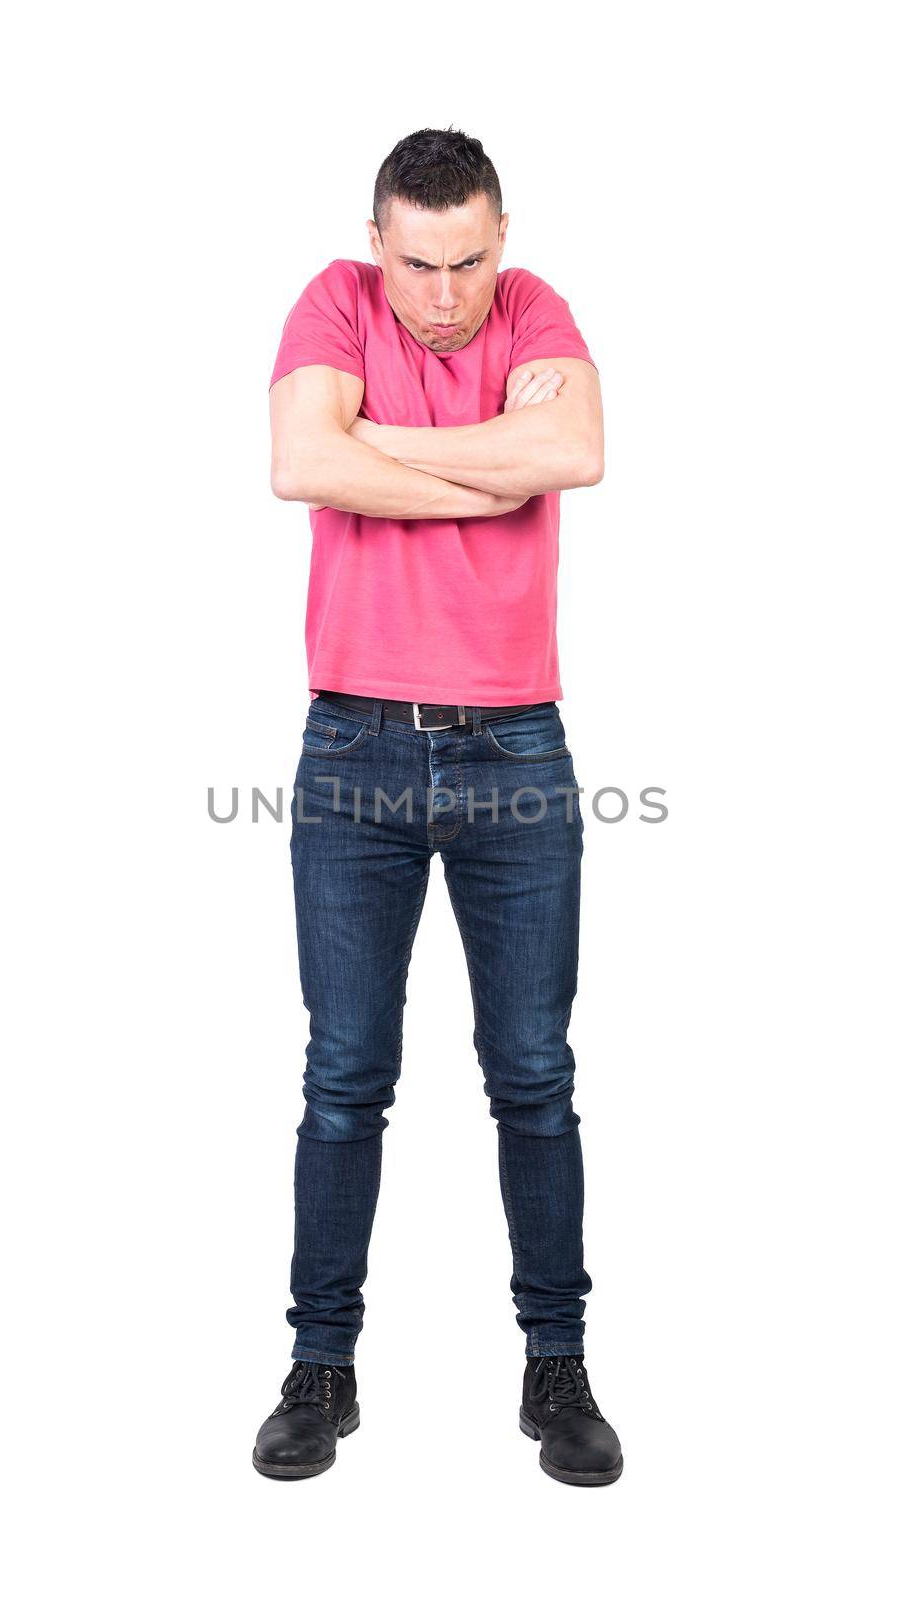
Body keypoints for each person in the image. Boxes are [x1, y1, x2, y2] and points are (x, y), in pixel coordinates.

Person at [252, 127, 623, 1487]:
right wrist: (484, 465)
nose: (448, 295)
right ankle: (320, 1367)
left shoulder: (540, 310)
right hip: (353, 745)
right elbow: (303, 463)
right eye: (420, 264)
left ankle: (559, 1366)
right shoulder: (332, 303)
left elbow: (573, 450)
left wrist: (382, 448)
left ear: (501, 238)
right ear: (378, 244)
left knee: (534, 1074)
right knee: (346, 1075)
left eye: (471, 261)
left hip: (516, 748)